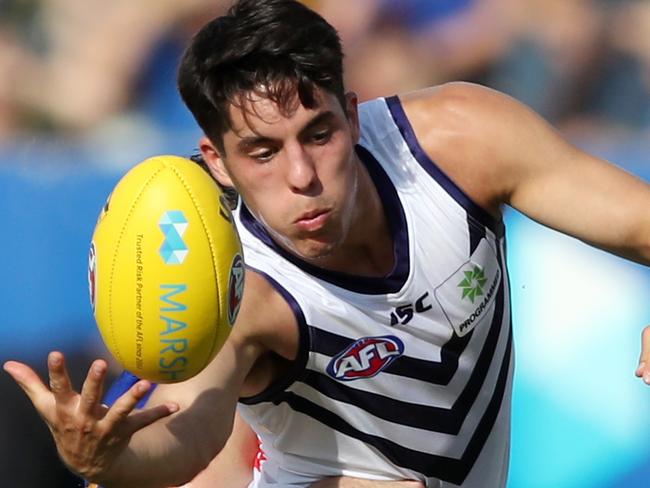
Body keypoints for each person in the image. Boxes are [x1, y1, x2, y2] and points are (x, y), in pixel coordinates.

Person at [4, 0, 650, 486]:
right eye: (261, 152)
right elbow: (187, 434)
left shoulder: (462, 143)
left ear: (351, 111)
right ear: (218, 161)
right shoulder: (242, 289)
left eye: (319, 134)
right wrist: (104, 459)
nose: (302, 176)